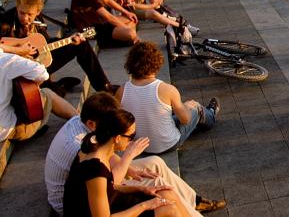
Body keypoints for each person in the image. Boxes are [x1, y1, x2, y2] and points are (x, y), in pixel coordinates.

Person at [45, 92, 225, 215]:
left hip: (95, 192)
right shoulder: (83, 151)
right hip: (74, 204)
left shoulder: (91, 136)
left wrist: (135, 179)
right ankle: (188, 208)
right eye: (129, 135)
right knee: (162, 190)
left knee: (155, 164)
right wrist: (129, 158)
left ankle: (193, 202)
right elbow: (106, 180)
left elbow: (108, 172)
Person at [62, 108, 188, 216]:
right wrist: (145, 205)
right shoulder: (95, 169)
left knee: (167, 193)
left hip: (108, 203)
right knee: (169, 210)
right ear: (117, 138)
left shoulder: (95, 144)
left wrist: (141, 189)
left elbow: (108, 187)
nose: (132, 140)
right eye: (131, 136)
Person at [0, 0, 116, 95]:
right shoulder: (5, 22)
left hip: (37, 62)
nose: (25, 18)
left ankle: (104, 86)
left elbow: (46, 43)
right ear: (17, 8)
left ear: (38, 11)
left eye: (29, 14)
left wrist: (69, 41)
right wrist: (19, 51)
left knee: (81, 45)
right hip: (14, 71)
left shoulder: (38, 19)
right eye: (22, 13)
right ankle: (53, 85)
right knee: (56, 93)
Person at [117, 42, 218, 154]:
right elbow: (186, 120)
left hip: (138, 147)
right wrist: (188, 106)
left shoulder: (121, 91)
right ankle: (211, 114)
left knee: (168, 114)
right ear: (156, 63)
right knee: (196, 107)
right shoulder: (167, 89)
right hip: (168, 144)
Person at [0, 53, 77, 142]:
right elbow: (43, 74)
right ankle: (79, 120)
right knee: (47, 93)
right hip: (6, 130)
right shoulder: (8, 60)